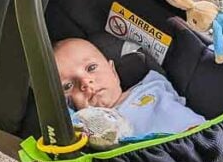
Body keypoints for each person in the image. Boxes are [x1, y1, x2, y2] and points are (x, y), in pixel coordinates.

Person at [53, 38, 204, 140]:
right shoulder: (85, 127)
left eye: (91, 68)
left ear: (113, 71)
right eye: (68, 85)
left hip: (199, 139)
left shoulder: (151, 85)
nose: (85, 82)